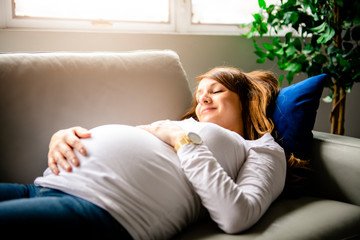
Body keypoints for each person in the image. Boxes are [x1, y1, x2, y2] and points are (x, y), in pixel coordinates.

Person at [0, 67, 305, 239]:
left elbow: (236, 215)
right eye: (199, 96)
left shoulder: (261, 148)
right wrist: (62, 136)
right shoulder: (178, 127)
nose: (203, 100)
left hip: (103, 211)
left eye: (216, 90)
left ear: (246, 99)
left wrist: (182, 139)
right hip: (41, 186)